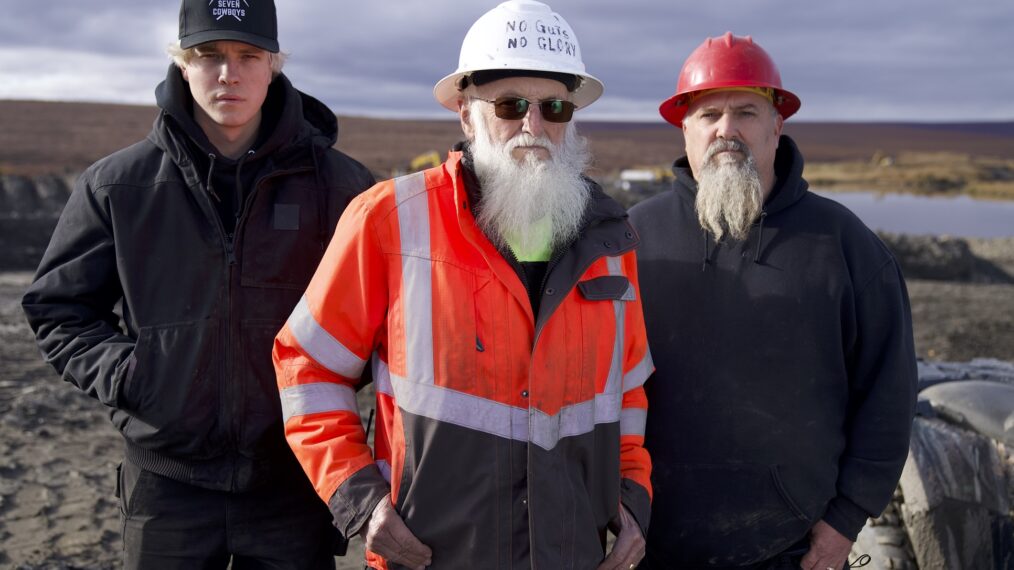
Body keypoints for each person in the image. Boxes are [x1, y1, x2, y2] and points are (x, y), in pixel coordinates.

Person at [272, 1, 653, 568]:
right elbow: (307, 366)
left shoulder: (610, 243)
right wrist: (358, 498)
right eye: (509, 104)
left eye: (554, 106)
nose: (533, 125)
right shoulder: (388, 221)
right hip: (431, 556)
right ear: (464, 113)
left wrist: (632, 501)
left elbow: (627, 398)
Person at [21, 0, 374, 567]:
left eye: (247, 55)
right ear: (182, 64)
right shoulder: (119, 186)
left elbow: (386, 323)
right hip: (166, 484)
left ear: (274, 65)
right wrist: (132, 376)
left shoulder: (341, 189)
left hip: (292, 479)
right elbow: (59, 309)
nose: (228, 73)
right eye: (208, 55)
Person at [629, 33, 917, 570]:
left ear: (777, 124)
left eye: (747, 112)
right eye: (708, 113)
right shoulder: (633, 242)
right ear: (684, 128)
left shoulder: (846, 247)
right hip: (649, 546)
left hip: (792, 551)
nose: (726, 130)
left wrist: (844, 522)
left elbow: (889, 395)